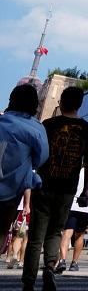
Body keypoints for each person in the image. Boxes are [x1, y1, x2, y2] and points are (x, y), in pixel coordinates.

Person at [21, 86, 88, 291]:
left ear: (61, 101)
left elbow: (36, 154)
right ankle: (49, 268)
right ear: (80, 104)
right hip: (68, 189)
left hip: (44, 185)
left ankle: (28, 283)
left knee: (35, 237)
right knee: (55, 232)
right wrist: (85, 190)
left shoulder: (48, 125)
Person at [0, 85, 48, 240]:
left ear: (11, 100)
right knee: (2, 230)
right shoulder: (36, 128)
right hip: (12, 187)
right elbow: (41, 158)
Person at [55, 161, 88, 272]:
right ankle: (74, 263)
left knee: (67, 233)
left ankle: (62, 260)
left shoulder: (74, 173)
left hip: (72, 206)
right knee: (80, 235)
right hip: (87, 209)